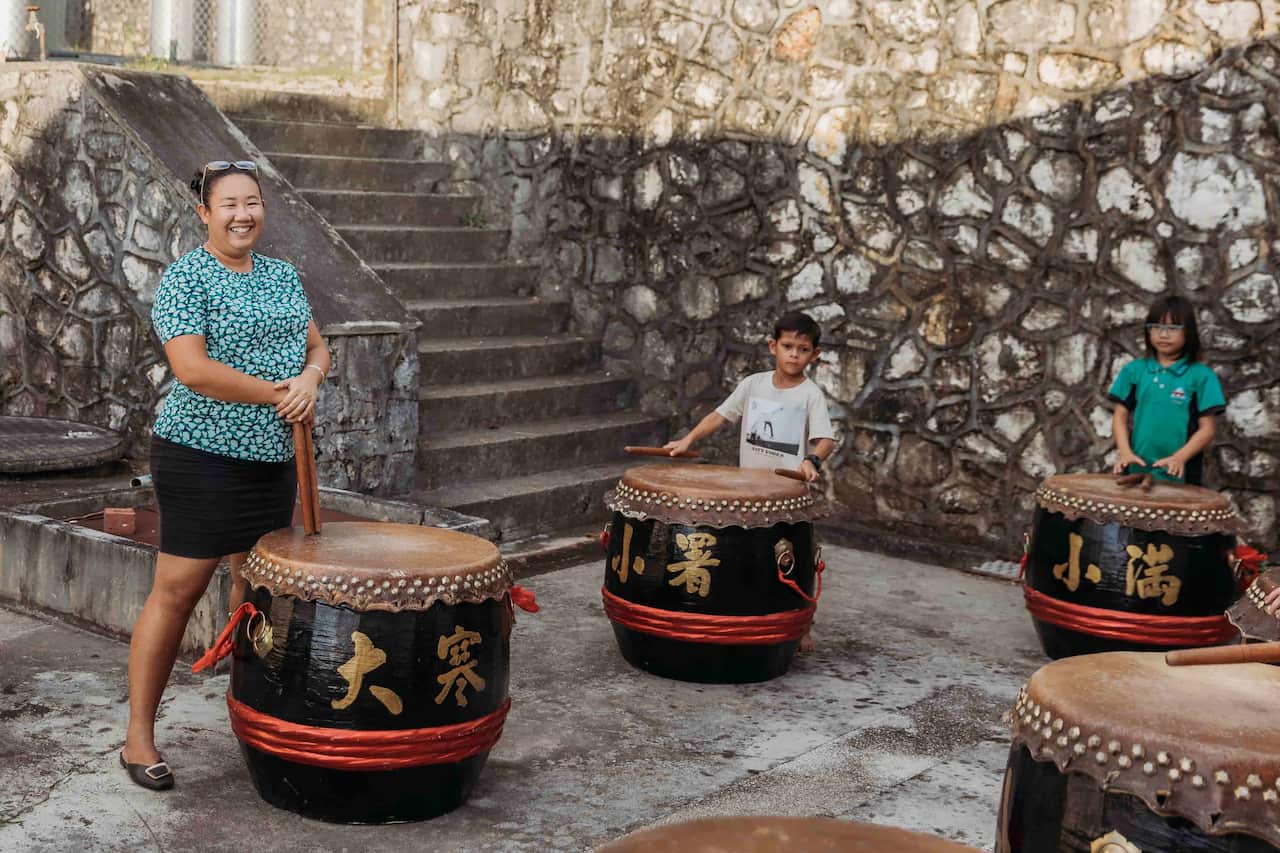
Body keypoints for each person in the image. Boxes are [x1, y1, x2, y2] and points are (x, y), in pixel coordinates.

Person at [120, 160, 330, 791]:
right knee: (179, 590)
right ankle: (137, 737)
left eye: (254, 202)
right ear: (204, 213)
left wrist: (312, 378)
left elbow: (317, 346)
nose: (244, 214)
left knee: (255, 591)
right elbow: (193, 370)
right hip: (200, 456)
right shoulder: (187, 277)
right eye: (229, 204)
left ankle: (251, 711)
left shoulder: (282, 275)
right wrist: (277, 393)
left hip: (274, 460)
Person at [663, 311, 836, 479]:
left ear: (814, 354)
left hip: (789, 490)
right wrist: (687, 439)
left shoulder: (811, 394)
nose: (794, 354)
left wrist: (812, 461)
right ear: (773, 347)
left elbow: (826, 441)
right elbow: (720, 416)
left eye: (803, 349)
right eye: (787, 346)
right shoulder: (753, 384)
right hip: (749, 483)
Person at [1108, 295, 1225, 485]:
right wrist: (1125, 452)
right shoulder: (1133, 371)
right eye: (1156, 327)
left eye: (1172, 328)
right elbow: (1119, 416)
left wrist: (1179, 457)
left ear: (1189, 332)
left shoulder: (1202, 376)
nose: (1163, 335)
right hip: (1136, 467)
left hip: (1181, 474)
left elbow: (1208, 429)